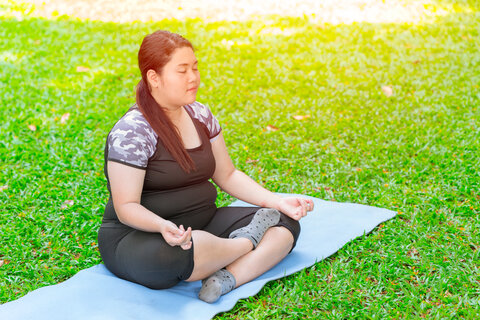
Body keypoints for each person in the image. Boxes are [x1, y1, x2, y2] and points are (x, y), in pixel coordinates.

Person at [97, 30, 314, 303]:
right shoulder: (132, 132)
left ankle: (226, 279)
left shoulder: (201, 114)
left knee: (285, 224)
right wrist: (163, 226)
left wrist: (278, 201)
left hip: (203, 224)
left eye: (195, 68)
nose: (193, 78)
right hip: (141, 236)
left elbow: (227, 174)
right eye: (182, 71)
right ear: (154, 77)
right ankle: (246, 243)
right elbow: (126, 206)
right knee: (175, 257)